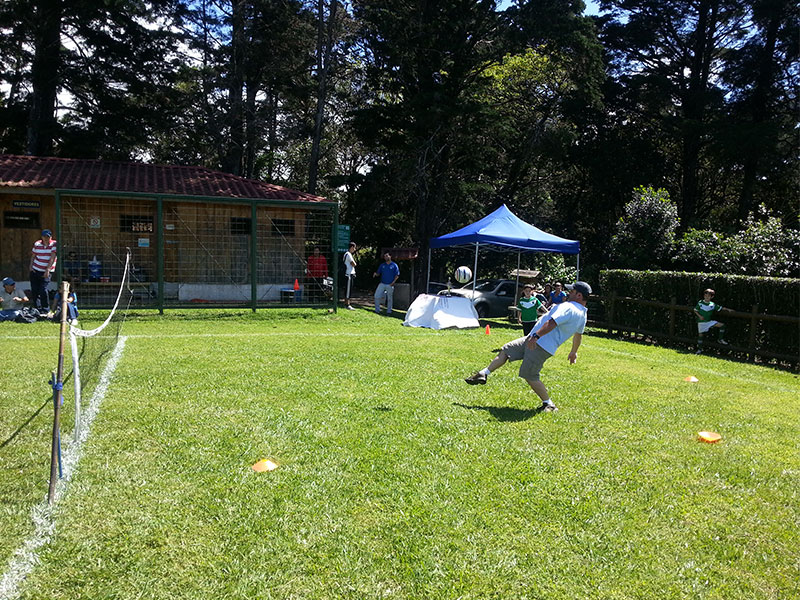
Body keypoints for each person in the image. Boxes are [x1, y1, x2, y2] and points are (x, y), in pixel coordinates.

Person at [465, 281, 592, 413]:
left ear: (578, 295)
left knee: (530, 375)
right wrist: (573, 352)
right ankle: (483, 374)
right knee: (507, 350)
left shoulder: (569, 307)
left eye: (571, 291)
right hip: (532, 339)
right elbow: (578, 335)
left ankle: (549, 404)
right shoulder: (583, 314)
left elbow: (552, 322)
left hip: (540, 344)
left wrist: (536, 336)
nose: (567, 293)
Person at [693, 288, 729, 354]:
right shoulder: (700, 302)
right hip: (701, 322)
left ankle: (720, 339)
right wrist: (700, 316)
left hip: (709, 322)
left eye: (708, 296)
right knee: (700, 335)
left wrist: (728, 310)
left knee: (722, 325)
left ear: (712, 297)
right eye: (705, 295)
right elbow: (695, 310)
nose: (707, 297)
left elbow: (719, 308)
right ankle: (699, 350)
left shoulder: (712, 304)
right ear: (704, 296)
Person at [29, 229, 57, 310]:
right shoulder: (37, 244)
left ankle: (45, 308)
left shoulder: (54, 244)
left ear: (50, 237)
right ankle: (37, 308)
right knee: (34, 290)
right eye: (44, 237)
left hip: (46, 271)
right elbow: (33, 256)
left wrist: (47, 270)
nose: (46, 238)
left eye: (48, 237)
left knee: (43, 290)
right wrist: (31, 266)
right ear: (42, 237)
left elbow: (52, 257)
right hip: (36, 269)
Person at [343, 242, 357, 310]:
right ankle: (347, 304)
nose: (354, 249)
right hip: (348, 274)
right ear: (351, 247)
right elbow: (353, 264)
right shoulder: (348, 254)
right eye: (354, 248)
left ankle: (347, 303)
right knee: (348, 290)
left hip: (349, 274)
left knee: (349, 289)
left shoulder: (347, 254)